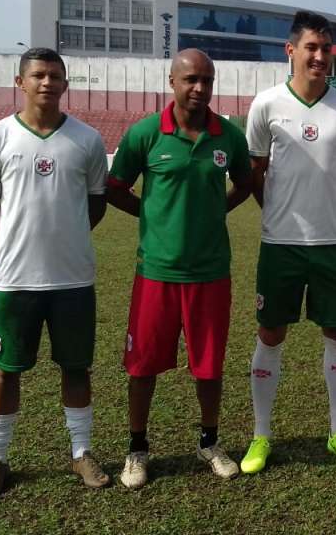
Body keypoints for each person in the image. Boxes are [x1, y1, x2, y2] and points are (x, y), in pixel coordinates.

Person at [107, 48, 252, 490]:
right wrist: (152, 214)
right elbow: (115, 187)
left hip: (211, 274)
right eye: (191, 79)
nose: (200, 88)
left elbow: (245, 185)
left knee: (209, 367)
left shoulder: (228, 136)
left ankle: (209, 442)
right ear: (171, 81)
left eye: (207, 80)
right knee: (142, 366)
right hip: (156, 273)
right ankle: (137, 450)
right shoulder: (146, 133)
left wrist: (213, 211)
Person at [0, 48, 110, 501]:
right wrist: (21, 236)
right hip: (14, 279)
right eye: (38, 75)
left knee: (76, 368)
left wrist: (62, 235)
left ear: (66, 84)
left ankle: (82, 452)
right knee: (6, 371)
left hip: (73, 279)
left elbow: (95, 205)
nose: (47, 82)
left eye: (55, 76)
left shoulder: (87, 140)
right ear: (20, 82)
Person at [242, 10, 336, 473]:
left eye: (326, 48)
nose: (319, 56)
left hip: (332, 242)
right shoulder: (266, 103)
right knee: (270, 332)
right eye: (311, 47)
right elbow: (256, 172)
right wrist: (277, 209)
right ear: (290, 51)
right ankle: (261, 436)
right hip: (280, 243)